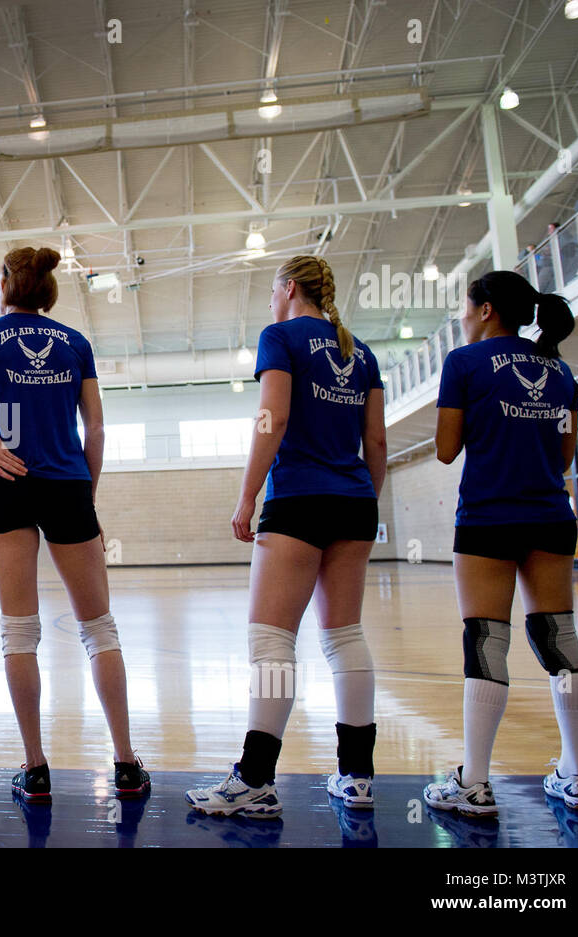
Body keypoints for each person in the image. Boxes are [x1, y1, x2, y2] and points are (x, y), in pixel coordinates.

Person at [0, 247, 149, 803]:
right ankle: (125, 764)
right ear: (48, 290)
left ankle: (36, 768)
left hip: (9, 484)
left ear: (5, 284)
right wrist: (86, 495)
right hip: (68, 485)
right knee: (99, 628)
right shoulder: (76, 343)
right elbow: (95, 429)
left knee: (18, 630)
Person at [185, 255, 386, 819]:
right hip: (354, 500)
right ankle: (358, 777)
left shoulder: (280, 336)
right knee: (345, 636)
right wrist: (363, 500)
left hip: (298, 498)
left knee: (271, 641)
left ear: (289, 288)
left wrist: (248, 495)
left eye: (273, 291)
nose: (271, 302)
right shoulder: (361, 352)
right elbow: (377, 443)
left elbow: (270, 418)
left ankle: (254, 781)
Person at [424, 270, 578, 815]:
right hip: (550, 517)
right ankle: (575, 775)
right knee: (560, 639)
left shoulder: (464, 363)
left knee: (486, 640)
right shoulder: (562, 371)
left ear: (487, 310)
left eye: (465, 306)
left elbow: (447, 449)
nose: (461, 315)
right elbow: (563, 458)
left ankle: (474, 783)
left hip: (487, 519)